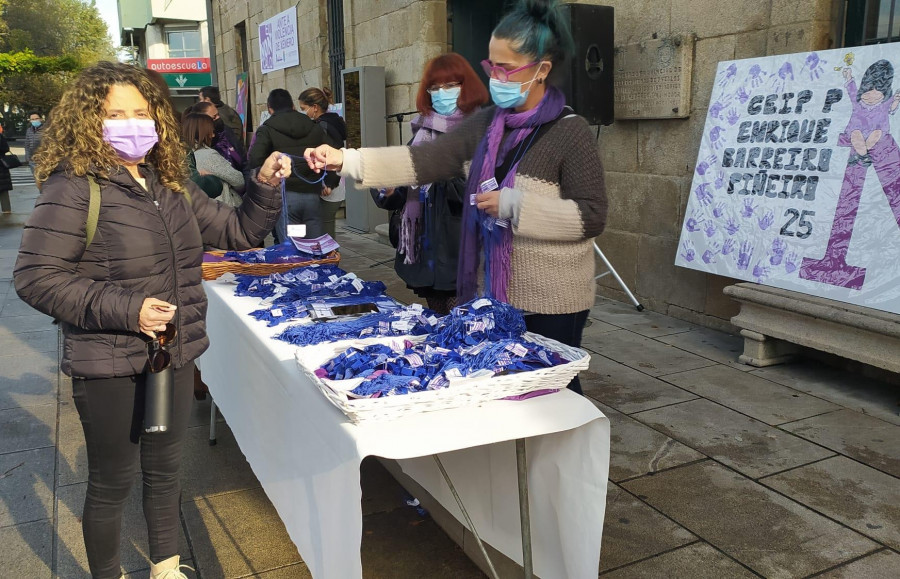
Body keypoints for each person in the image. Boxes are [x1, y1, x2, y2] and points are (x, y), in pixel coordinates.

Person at [14, 61, 290, 579]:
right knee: (111, 481)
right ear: (88, 121)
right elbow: (35, 277)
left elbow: (238, 231)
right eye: (114, 113)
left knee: (165, 473)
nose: (131, 123)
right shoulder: (75, 188)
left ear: (158, 118)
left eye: (140, 112)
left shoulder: (171, 183)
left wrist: (266, 186)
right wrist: (129, 308)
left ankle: (166, 566)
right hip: (108, 363)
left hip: (172, 355)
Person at [306, 0, 608, 394]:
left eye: (507, 68)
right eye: (491, 66)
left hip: (552, 297)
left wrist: (514, 205)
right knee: (505, 389)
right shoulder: (487, 123)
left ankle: (565, 453)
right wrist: (345, 159)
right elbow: (425, 159)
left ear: (542, 70)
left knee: (553, 392)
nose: (496, 77)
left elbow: (591, 216)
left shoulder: (572, 132)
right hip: (494, 290)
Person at [369, 55, 488, 314]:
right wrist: (389, 189)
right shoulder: (423, 132)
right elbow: (406, 186)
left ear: (465, 87)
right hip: (426, 247)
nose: (440, 94)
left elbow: (481, 189)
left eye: (449, 86)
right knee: (438, 319)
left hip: (461, 247)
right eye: (434, 88)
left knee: (465, 323)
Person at [249, 88, 340, 240]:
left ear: (270, 109)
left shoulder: (267, 129)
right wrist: (330, 182)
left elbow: (255, 160)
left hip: (285, 196)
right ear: (293, 106)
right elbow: (331, 154)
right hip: (312, 195)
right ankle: (315, 263)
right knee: (314, 244)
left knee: (292, 245)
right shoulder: (314, 125)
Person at [298, 87, 346, 239]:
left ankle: (330, 260)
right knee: (325, 227)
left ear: (315, 107)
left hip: (330, 184)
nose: (303, 113)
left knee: (325, 231)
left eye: (303, 109)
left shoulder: (322, 127)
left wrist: (328, 183)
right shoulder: (334, 122)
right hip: (335, 182)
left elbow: (331, 155)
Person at [182, 112, 245, 206]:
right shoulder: (209, 155)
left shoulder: (184, 155)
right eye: (211, 131)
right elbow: (239, 180)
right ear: (203, 132)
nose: (213, 135)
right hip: (224, 209)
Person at [191, 100, 247, 171]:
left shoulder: (226, 131)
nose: (218, 118)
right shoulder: (202, 144)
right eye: (214, 117)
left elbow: (242, 157)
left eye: (218, 114)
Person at [0, 127, 12, 213]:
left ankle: (7, 211)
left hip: (1, 166)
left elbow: (6, 148)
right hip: (2, 165)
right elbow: (6, 148)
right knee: (4, 190)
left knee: (3, 190)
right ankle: (6, 211)